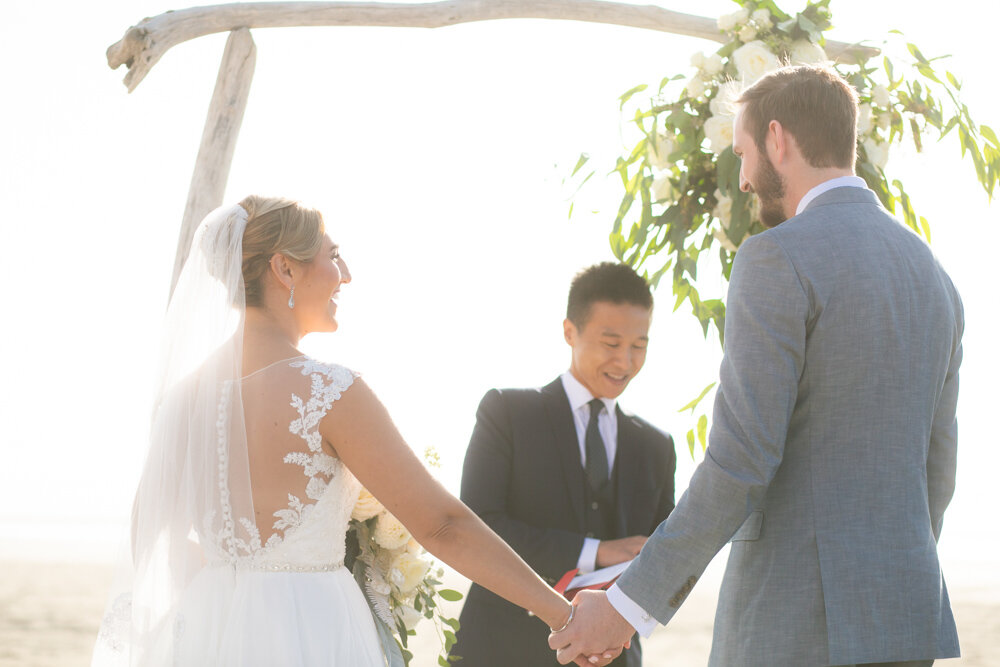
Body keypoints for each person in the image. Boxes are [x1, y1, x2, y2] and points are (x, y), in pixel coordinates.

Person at [550, 65, 964, 667]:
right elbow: (938, 472)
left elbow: (741, 462)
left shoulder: (776, 257)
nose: (743, 179)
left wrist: (625, 604)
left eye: (742, 152)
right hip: (904, 619)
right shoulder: (935, 278)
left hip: (793, 627)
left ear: (777, 140)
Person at [91, 195, 575, 666]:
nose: (346, 274)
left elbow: (147, 535)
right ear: (284, 269)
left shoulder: (183, 398)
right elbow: (441, 524)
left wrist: (228, 589)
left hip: (207, 631)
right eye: (334, 256)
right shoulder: (328, 391)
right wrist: (562, 612)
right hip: (314, 627)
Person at [451, 262, 677, 667]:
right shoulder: (507, 412)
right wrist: (597, 551)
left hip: (612, 658)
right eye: (611, 343)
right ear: (570, 332)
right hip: (500, 650)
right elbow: (479, 527)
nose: (625, 362)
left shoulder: (656, 446)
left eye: (639, 345)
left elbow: (667, 559)